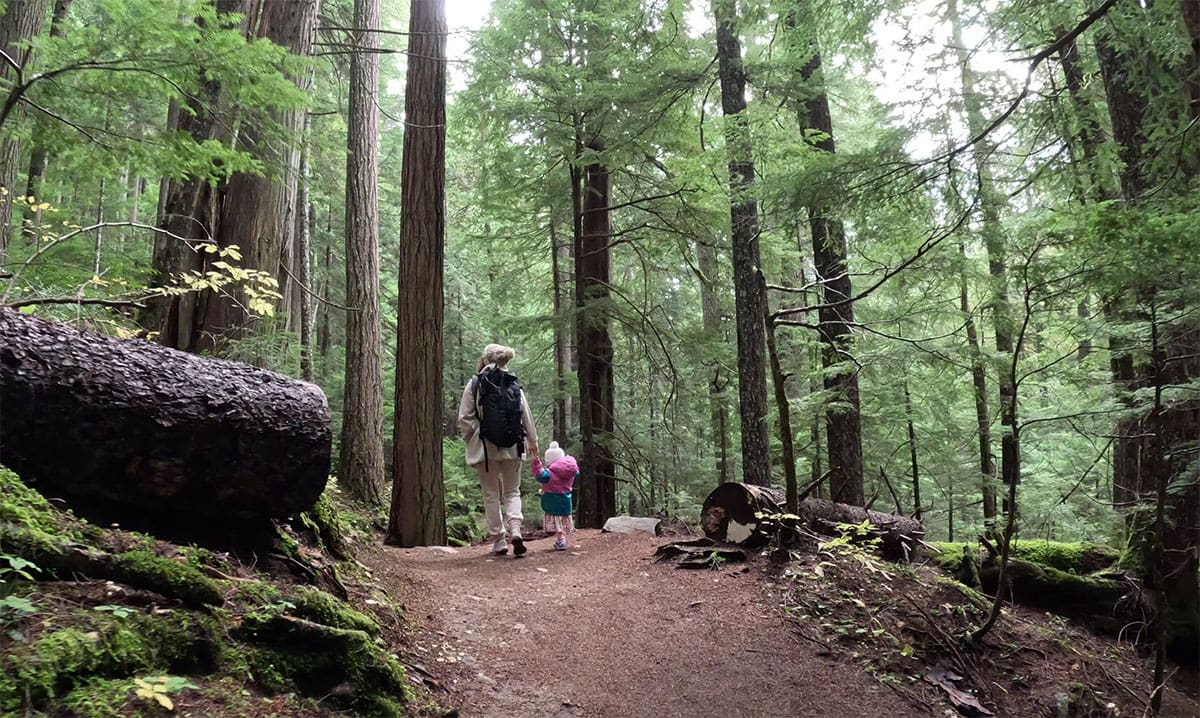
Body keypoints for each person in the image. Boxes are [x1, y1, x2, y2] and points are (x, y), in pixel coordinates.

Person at [458, 344, 538, 557]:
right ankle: (516, 528)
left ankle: (499, 541)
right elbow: (525, 414)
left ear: (485, 359)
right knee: (512, 491)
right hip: (513, 445)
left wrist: (473, 438)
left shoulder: (475, 383)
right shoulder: (513, 382)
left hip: (485, 449)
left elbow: (465, 418)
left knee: (491, 493)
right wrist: (532, 441)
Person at [530, 441, 579, 551]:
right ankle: (562, 539)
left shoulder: (549, 474)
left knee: (557, 522)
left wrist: (536, 461)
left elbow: (540, 475)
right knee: (562, 520)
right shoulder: (571, 471)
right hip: (566, 501)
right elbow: (576, 473)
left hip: (553, 501)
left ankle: (561, 540)